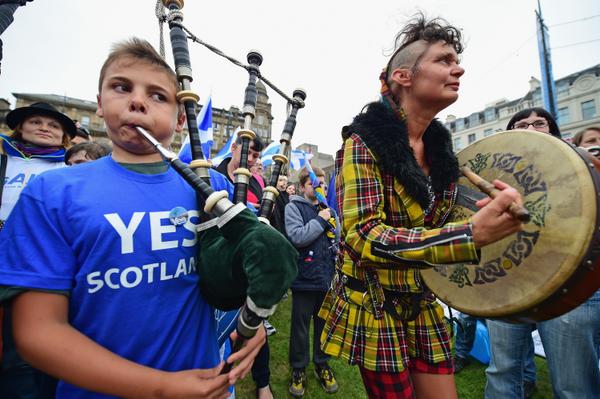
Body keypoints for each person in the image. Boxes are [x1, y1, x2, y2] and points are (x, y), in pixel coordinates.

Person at [0, 38, 265, 398]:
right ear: (98, 103)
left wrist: (258, 320)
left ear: (179, 114)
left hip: (208, 385)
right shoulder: (52, 193)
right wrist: (162, 388)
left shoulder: (211, 186)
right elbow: (38, 333)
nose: (138, 101)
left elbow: (255, 262)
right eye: (122, 87)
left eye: (158, 96)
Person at [317, 15, 524, 399]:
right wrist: (470, 234)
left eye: (455, 60)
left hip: (423, 300)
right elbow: (364, 235)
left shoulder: (444, 155)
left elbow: (448, 222)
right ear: (403, 76)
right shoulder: (362, 143)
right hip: (374, 305)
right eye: (443, 60)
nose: (458, 68)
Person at [485, 107, 600, 399]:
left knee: (573, 382)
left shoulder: (583, 168)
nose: (532, 127)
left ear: (553, 132)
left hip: (572, 280)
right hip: (508, 280)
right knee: (502, 371)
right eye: (522, 124)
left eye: (540, 123)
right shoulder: (496, 175)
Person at [0, 101, 75, 398]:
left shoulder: (68, 171)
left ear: (64, 137)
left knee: (24, 351)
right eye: (36, 122)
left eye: (53, 125)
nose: (44, 128)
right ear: (20, 127)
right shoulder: (5, 161)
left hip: (40, 267)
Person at [215, 136, 273, 399]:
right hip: (216, 275)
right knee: (217, 344)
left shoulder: (257, 186)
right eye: (248, 152)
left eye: (256, 156)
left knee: (254, 330)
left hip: (248, 274)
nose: (252, 159)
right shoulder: (210, 177)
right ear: (235, 148)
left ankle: (262, 384)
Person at [285, 166, 339, 397]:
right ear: (304, 186)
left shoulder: (329, 210)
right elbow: (297, 237)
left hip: (325, 279)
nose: (320, 189)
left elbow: (337, 240)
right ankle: (298, 369)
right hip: (303, 279)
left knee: (323, 327)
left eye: (323, 185)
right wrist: (320, 219)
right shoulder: (293, 207)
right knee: (300, 328)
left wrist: (332, 225)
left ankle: (321, 364)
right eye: (314, 184)